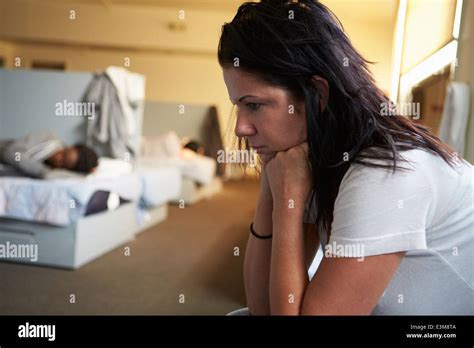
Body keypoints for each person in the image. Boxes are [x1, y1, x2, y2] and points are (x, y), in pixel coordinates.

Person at [219, 0, 474, 315]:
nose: (242, 127)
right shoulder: (320, 155)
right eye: (238, 105)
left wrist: (289, 199)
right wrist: (271, 189)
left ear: (317, 94)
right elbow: (262, 308)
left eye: (254, 105)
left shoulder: (384, 173)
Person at [0, 131, 99, 178]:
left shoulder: (55, 172)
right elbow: (10, 154)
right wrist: (41, 172)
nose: (58, 158)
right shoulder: (48, 138)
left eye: (62, 162)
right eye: (63, 153)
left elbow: (77, 177)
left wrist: (86, 172)